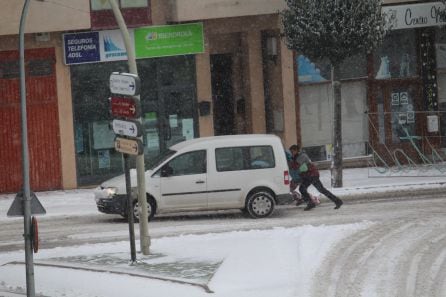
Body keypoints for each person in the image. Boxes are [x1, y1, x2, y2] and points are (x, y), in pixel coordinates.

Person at [288, 144, 343, 211]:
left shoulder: (302, 156)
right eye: (291, 151)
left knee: (318, 189)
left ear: (296, 150)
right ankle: (311, 203)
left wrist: (289, 162)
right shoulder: (296, 157)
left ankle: (337, 201)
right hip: (307, 176)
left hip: (312, 175)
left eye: (292, 151)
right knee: (304, 189)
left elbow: (296, 166)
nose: (291, 153)